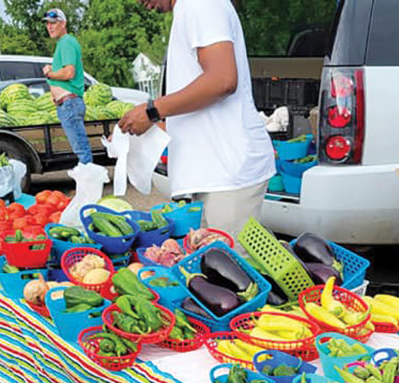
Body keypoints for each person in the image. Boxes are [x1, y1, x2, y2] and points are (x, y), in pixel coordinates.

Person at [121, 0, 275, 238]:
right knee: (216, 265)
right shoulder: (189, 8)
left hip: (227, 173)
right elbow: (195, 98)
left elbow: (223, 80)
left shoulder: (201, 4)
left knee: (235, 269)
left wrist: (152, 111)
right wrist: (139, 127)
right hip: (213, 176)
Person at [42, 8, 93, 166]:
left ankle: (90, 186)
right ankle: (88, 184)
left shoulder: (67, 42)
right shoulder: (63, 44)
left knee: (82, 151)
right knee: (80, 148)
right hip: (66, 104)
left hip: (69, 103)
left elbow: (69, 72)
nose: (49, 26)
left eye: (53, 23)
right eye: (47, 24)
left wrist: (50, 74)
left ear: (63, 23)